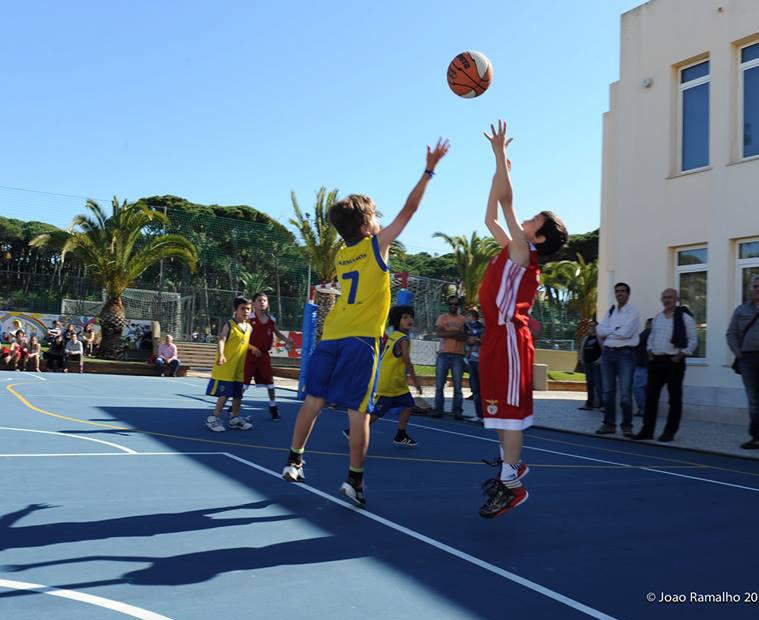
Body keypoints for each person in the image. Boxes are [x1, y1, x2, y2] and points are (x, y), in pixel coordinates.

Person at [281, 138, 450, 507]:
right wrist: (429, 170)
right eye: (375, 215)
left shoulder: (343, 255)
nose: (381, 219)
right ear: (366, 225)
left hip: (331, 338)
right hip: (360, 342)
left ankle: (294, 458)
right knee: (360, 414)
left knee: (313, 402)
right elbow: (409, 210)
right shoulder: (376, 246)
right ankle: (354, 481)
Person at [477, 120, 568, 518]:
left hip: (512, 339)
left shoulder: (522, 252)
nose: (525, 220)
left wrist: (500, 157)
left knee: (510, 416)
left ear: (540, 238)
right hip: (497, 337)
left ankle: (512, 484)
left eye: (534, 221)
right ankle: (509, 467)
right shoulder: (513, 246)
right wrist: (499, 171)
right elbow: (491, 218)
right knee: (496, 409)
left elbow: (507, 205)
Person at [342, 305, 423, 447]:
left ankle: (401, 434)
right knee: (379, 412)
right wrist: (415, 380)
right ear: (398, 321)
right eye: (405, 318)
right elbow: (406, 359)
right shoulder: (403, 339)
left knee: (408, 404)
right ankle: (353, 430)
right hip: (389, 382)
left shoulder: (394, 335)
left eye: (410, 317)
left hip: (395, 381)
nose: (409, 320)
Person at [632, 289, 697, 442]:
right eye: (665, 297)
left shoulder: (686, 319)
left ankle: (669, 432)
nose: (667, 300)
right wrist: (649, 352)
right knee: (651, 398)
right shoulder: (658, 318)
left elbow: (693, 341)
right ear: (662, 300)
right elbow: (651, 337)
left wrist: (680, 356)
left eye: (670, 297)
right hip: (656, 362)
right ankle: (647, 430)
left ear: (676, 299)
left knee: (674, 399)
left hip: (675, 362)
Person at [595, 282, 640, 437]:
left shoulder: (633, 312)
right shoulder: (611, 311)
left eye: (622, 291)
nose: (619, 294)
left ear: (628, 294)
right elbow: (598, 330)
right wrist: (614, 331)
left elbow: (626, 333)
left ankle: (627, 425)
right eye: (617, 291)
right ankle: (609, 424)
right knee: (607, 392)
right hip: (608, 354)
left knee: (625, 394)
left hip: (625, 355)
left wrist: (608, 332)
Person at [205, 297, 254, 432]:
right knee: (225, 394)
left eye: (248, 309)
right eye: (242, 308)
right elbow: (222, 340)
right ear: (235, 310)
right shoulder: (229, 324)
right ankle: (213, 418)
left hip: (239, 368)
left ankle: (235, 418)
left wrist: (252, 348)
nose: (246, 311)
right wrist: (221, 354)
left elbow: (242, 343)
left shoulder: (249, 327)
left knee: (238, 394)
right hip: (226, 366)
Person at [243, 292, 294, 421]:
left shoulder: (271, 320)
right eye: (259, 300)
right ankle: (235, 404)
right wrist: (252, 348)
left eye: (264, 300)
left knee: (270, 383)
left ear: (267, 304)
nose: (262, 302)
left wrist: (287, 341)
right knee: (244, 383)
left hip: (264, 356)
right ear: (253, 304)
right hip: (249, 355)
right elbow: (242, 339)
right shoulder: (249, 319)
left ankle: (273, 407)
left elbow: (276, 332)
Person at [726, 274, 759, 450]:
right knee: (753, 400)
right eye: (754, 286)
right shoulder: (741, 310)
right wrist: (738, 353)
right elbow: (731, 333)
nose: (757, 289)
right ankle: (755, 438)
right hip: (748, 359)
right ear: (750, 289)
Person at [432, 295, 467, 419]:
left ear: (458, 306)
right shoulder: (442, 317)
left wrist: (449, 333)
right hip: (443, 354)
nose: (453, 306)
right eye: (451, 304)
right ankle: (438, 410)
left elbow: (464, 336)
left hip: (458, 355)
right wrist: (456, 332)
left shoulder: (463, 319)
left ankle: (457, 411)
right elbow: (439, 333)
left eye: (456, 304)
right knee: (439, 385)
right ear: (448, 305)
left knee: (458, 386)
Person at [577, 320, 603, 411]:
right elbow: (582, 349)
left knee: (598, 384)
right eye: (591, 326)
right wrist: (581, 359)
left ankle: (602, 405)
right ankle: (589, 404)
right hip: (587, 364)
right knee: (589, 384)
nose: (592, 327)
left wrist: (600, 360)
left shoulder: (599, 338)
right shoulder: (586, 338)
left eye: (594, 326)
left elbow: (604, 350)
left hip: (596, 364)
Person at [464, 307, 484, 420]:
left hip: (481, 361)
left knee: (483, 389)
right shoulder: (467, 327)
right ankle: (479, 414)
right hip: (472, 359)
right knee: (475, 389)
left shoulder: (481, 327)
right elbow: (465, 338)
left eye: (469, 316)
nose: (467, 318)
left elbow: (482, 339)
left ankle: (487, 414)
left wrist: (477, 340)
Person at [633, 318, 653, 417]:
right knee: (647, 389)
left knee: (638, 387)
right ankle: (648, 409)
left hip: (642, 365)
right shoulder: (656, 336)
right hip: (652, 366)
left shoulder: (645, 334)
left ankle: (643, 409)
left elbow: (635, 345)